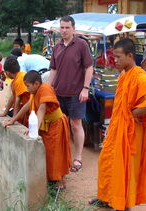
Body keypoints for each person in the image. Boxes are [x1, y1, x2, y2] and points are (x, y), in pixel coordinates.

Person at [89, 38, 146, 211]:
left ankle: (124, 203)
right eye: (114, 56)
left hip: (130, 132)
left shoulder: (139, 75)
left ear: (130, 55)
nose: (116, 60)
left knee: (125, 168)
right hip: (117, 128)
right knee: (107, 161)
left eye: (119, 57)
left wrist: (132, 114)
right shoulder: (124, 75)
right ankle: (106, 197)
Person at [3, 70, 72, 191]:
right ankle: (52, 178)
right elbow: (27, 106)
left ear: (36, 83)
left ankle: (61, 181)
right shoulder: (35, 91)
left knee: (55, 153)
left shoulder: (45, 89)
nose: (27, 89)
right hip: (46, 125)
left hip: (56, 124)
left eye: (28, 86)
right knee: (47, 152)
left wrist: (33, 130)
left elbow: (42, 110)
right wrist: (13, 119)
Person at [47, 15, 94, 172]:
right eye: (62, 27)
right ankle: (63, 155)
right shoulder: (57, 47)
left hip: (76, 93)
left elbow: (89, 67)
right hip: (58, 93)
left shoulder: (81, 45)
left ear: (73, 28)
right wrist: (47, 89)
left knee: (75, 125)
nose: (64, 30)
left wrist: (85, 88)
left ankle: (78, 157)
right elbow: (53, 70)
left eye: (67, 27)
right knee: (61, 125)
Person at [0, 56, 30, 126]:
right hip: (25, 109)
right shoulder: (16, 79)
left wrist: (13, 118)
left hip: (30, 109)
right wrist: (5, 112)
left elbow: (17, 100)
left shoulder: (19, 80)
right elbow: (12, 97)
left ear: (7, 72)